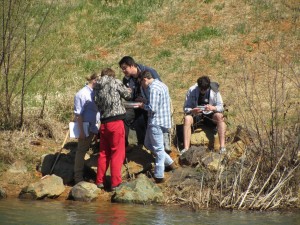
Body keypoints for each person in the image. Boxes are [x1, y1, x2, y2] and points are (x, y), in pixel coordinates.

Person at [119, 56, 170, 153]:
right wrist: (127, 94)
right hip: (136, 105)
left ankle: (161, 145)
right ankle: (129, 145)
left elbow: (160, 88)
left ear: (132, 65)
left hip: (151, 104)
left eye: (125, 68)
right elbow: (129, 97)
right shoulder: (126, 80)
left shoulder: (148, 71)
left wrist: (146, 100)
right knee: (124, 116)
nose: (123, 71)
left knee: (146, 117)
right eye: (122, 69)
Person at [94, 68, 131, 190]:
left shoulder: (97, 86)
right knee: (117, 153)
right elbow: (128, 95)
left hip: (103, 123)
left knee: (104, 153)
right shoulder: (115, 82)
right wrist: (129, 90)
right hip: (116, 122)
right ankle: (115, 183)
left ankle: (100, 181)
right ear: (112, 74)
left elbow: (97, 104)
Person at [138, 71, 175, 183]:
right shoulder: (162, 85)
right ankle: (170, 163)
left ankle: (159, 175)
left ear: (144, 79)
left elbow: (152, 108)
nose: (142, 86)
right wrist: (145, 101)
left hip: (156, 121)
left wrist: (142, 106)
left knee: (158, 149)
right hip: (163, 120)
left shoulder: (153, 88)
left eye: (141, 83)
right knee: (148, 144)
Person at [181, 75, 226, 155]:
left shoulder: (215, 91)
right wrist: (192, 110)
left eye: (205, 89)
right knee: (187, 119)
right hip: (196, 115)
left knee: (220, 117)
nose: (203, 91)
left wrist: (213, 108)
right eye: (201, 89)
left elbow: (221, 107)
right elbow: (185, 108)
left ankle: (222, 147)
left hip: (210, 115)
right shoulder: (192, 90)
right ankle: (186, 148)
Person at [73, 73, 100, 184]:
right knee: (81, 151)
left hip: (95, 126)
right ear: (94, 80)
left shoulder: (96, 92)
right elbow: (78, 114)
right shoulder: (81, 94)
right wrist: (81, 132)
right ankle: (78, 177)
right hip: (85, 127)